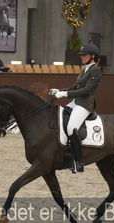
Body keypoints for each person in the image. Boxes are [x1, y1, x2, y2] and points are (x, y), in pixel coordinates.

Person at [49, 43, 101, 173]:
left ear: (93, 56)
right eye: (81, 55)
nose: (82, 57)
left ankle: (78, 161)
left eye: (84, 55)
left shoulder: (96, 70)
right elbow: (74, 87)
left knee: (72, 128)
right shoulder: (84, 69)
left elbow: (87, 90)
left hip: (85, 104)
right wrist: (59, 90)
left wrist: (65, 94)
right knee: (60, 118)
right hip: (75, 101)